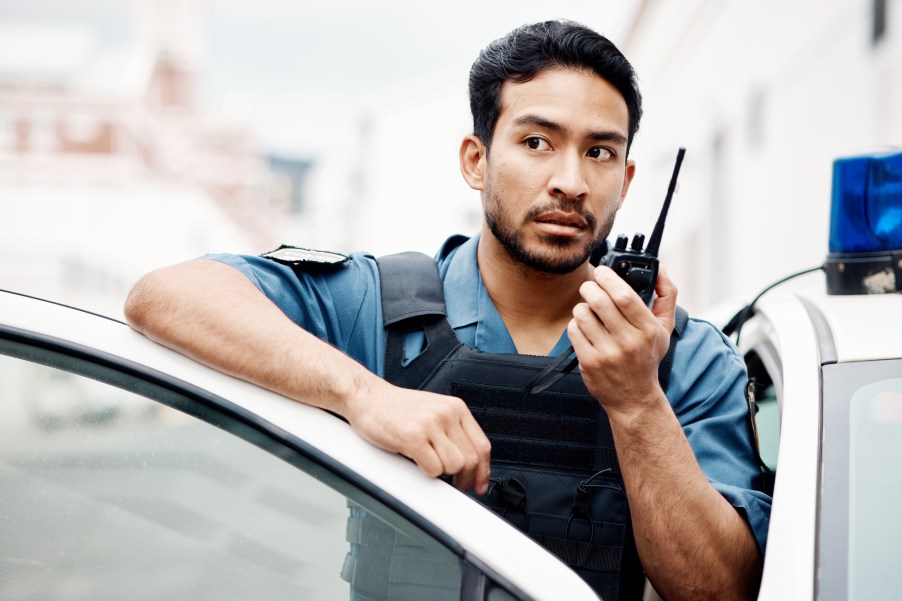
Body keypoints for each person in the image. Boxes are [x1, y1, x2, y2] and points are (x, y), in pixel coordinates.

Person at [125, 20, 770, 600]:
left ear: (626, 181)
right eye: (538, 142)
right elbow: (165, 296)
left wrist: (636, 404)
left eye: (599, 152)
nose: (571, 181)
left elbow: (722, 593)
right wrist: (363, 394)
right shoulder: (380, 306)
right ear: (476, 160)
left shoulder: (683, 356)